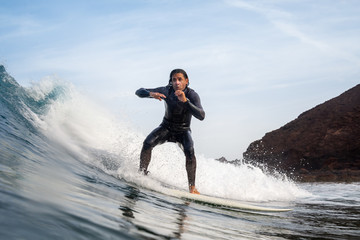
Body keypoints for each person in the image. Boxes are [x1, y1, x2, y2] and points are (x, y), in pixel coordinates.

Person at [135, 69, 205, 194]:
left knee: (189, 151)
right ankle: (141, 175)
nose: (177, 82)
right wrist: (151, 94)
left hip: (183, 131)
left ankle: (192, 187)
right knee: (147, 143)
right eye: (174, 80)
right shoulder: (166, 91)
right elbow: (139, 91)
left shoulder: (192, 95)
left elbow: (201, 115)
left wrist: (186, 101)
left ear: (186, 81)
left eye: (180, 79)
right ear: (171, 81)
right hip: (166, 128)